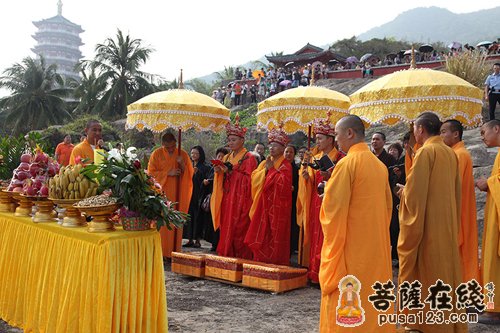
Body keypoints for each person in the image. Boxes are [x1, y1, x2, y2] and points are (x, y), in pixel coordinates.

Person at [319, 115, 393, 333]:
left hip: (351, 248)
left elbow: (334, 210)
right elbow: (387, 208)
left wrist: (327, 196)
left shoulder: (347, 163)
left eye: (337, 134)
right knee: (371, 293)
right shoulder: (380, 167)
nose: (336, 140)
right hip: (375, 248)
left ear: (349, 133)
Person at [398, 112, 466, 333]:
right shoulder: (449, 152)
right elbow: (455, 192)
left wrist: (403, 193)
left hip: (427, 227)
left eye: (415, 129)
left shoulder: (426, 152)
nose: (414, 133)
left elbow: (415, 197)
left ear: (421, 129)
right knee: (444, 274)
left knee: (426, 275)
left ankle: (426, 323)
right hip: (445, 225)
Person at [297, 117, 344, 282]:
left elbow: (342, 181)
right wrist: (306, 178)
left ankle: (325, 274)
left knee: (326, 236)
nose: (317, 140)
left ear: (330, 139)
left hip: (330, 201)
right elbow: (311, 181)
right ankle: (314, 271)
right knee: (315, 233)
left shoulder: (340, 157)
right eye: (316, 137)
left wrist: (329, 176)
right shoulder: (315, 156)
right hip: (315, 200)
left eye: (320, 138)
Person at [210, 115, 257, 259]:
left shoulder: (249, 157)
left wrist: (231, 172)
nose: (230, 143)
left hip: (241, 200)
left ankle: (240, 257)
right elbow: (222, 177)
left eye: (234, 140)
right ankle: (226, 253)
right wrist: (218, 172)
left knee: (239, 227)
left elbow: (251, 180)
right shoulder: (226, 157)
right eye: (229, 140)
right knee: (226, 225)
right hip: (227, 197)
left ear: (242, 141)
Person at [245, 128, 292, 265]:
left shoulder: (286, 165)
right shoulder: (265, 162)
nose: (271, 148)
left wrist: (271, 170)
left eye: (275, 145)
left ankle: (274, 262)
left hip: (277, 208)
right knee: (261, 234)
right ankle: (259, 261)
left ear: (283, 148)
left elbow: (283, 186)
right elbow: (254, 178)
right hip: (263, 204)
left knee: (274, 235)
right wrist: (266, 169)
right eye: (270, 145)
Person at [440, 120, 479, 283]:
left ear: (455, 134)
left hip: (458, 212)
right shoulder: (456, 153)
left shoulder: (458, 155)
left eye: (443, 132)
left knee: (461, 254)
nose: (441, 136)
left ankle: (465, 290)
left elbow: (451, 186)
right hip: (459, 210)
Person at [147, 132, 194, 259]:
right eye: (168, 147)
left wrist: (182, 164)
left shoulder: (182, 154)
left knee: (175, 221)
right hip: (162, 194)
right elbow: (150, 174)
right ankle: (160, 252)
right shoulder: (156, 154)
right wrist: (168, 172)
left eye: (173, 146)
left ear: (176, 143)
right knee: (162, 222)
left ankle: (174, 251)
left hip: (178, 194)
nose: (171, 149)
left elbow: (190, 173)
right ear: (162, 145)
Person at [476, 119, 500, 323]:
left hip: (497, 219)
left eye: (484, 132)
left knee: (493, 261)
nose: (482, 136)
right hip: (495, 214)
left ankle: (494, 309)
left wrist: (489, 182)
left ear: (496, 129)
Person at [183, 146, 211, 248]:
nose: (193, 155)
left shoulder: (205, 167)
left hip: (199, 194)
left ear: (200, 155)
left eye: (196, 153)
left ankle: (197, 240)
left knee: (198, 217)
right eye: (192, 153)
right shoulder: (189, 165)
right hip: (189, 194)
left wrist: (201, 177)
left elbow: (207, 180)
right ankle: (190, 239)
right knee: (189, 217)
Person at [203, 147, 229, 252]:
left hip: (223, 197)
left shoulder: (227, 168)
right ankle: (214, 243)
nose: (220, 158)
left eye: (222, 157)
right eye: (218, 156)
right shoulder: (213, 168)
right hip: (214, 197)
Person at [285, 144, 300, 257]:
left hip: (293, 200)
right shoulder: (279, 166)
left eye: (291, 152)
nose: (288, 154)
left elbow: (300, 186)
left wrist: (294, 188)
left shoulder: (297, 169)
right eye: (286, 152)